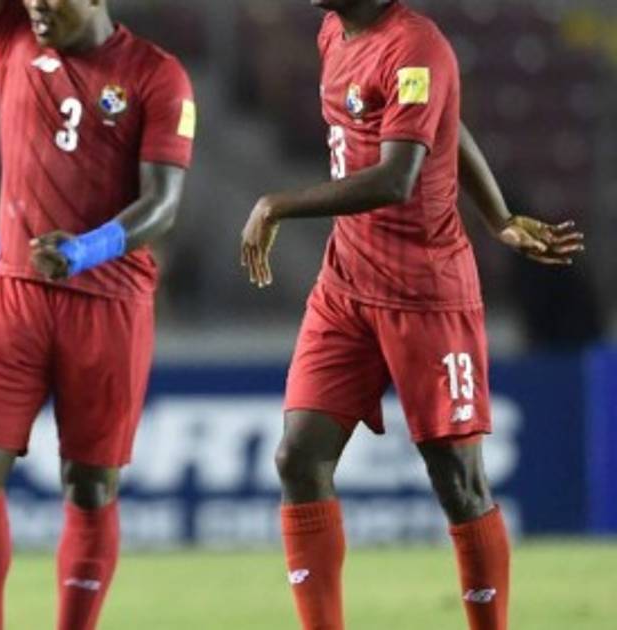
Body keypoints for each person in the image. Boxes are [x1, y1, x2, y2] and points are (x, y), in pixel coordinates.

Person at [237, 2, 584, 629]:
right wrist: (500, 217)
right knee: (298, 457)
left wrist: (276, 204)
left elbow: (397, 178)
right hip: (345, 286)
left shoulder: (415, 48)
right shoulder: (333, 31)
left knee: (458, 482)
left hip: (425, 294)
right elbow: (447, 122)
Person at [0, 1, 194, 628]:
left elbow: (163, 205)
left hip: (109, 302)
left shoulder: (156, 75)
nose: (35, 4)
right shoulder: (11, 33)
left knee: (88, 486)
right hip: (15, 294)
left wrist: (86, 250)